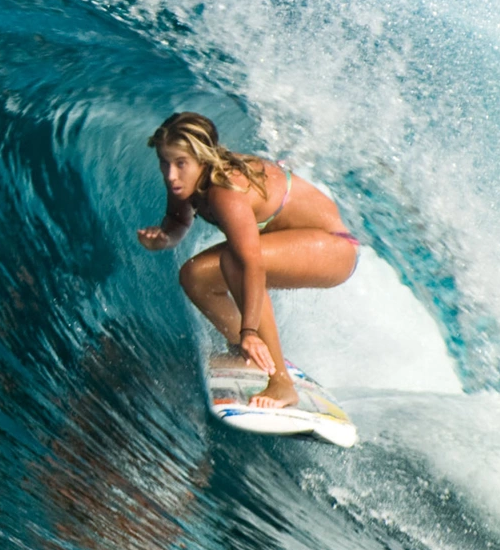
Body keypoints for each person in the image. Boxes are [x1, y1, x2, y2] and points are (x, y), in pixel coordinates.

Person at [134, 112, 359, 410]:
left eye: (180, 164)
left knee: (233, 261)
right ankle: (249, 356)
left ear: (203, 159)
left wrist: (250, 332)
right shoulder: (185, 181)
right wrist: (163, 238)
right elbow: (178, 219)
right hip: (296, 245)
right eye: (165, 162)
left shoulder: (225, 189)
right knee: (195, 275)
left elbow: (250, 264)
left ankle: (281, 383)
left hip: (335, 249)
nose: (171, 174)